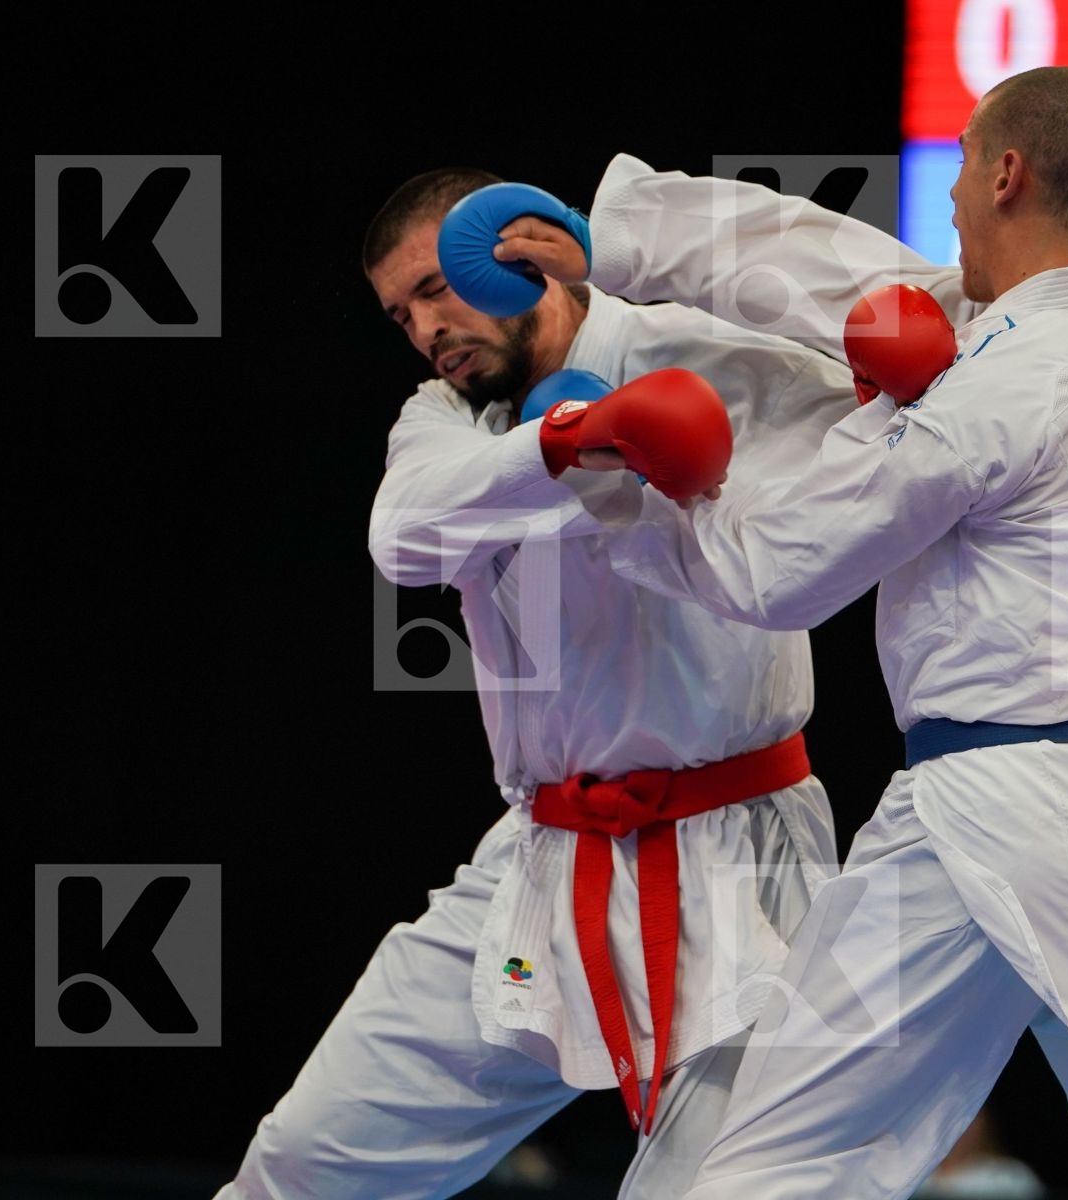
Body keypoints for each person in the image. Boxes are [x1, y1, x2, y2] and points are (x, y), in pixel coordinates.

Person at [493, 67, 1068, 1197]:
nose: (944, 202)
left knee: (774, 1170)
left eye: (957, 171)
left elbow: (776, 569)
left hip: (1014, 802)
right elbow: (838, 270)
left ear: (1007, 172)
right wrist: (621, 236)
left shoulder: (1005, 387)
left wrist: (630, 493)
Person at [215, 167, 860, 1198]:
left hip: (743, 855)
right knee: (306, 1162)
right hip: (542, 858)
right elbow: (402, 538)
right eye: (399, 313)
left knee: (725, 1191)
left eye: (438, 287)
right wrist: (570, 442)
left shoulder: (699, 354)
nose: (425, 328)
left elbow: (883, 426)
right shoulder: (444, 421)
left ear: (512, 250)